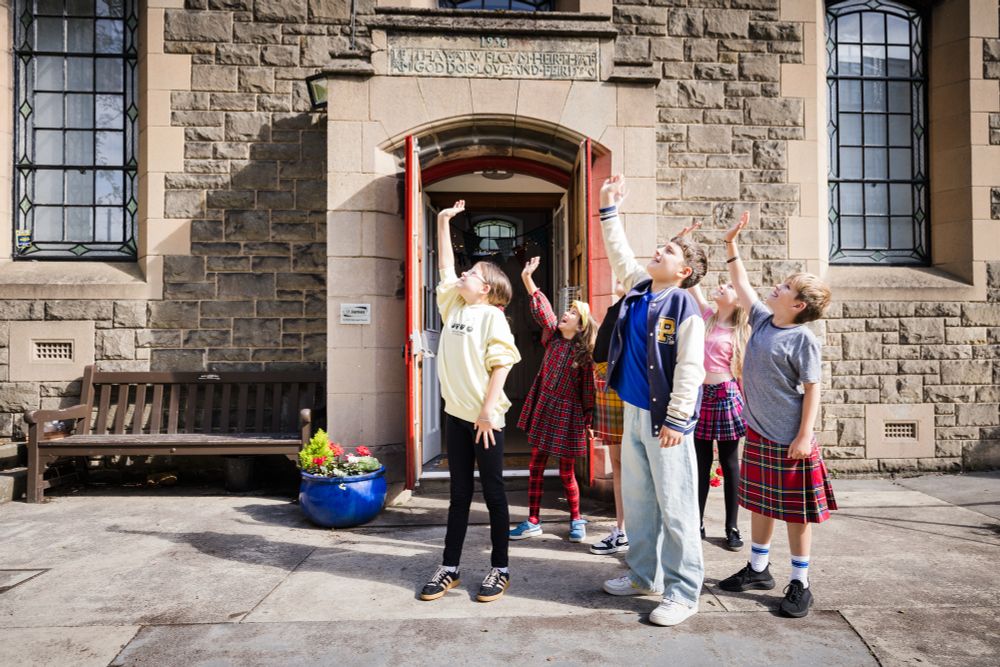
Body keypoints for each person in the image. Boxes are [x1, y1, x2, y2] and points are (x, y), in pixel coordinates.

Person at [596, 174, 708, 627]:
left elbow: (690, 369)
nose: (657, 251)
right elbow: (619, 251)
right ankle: (646, 576)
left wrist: (678, 420)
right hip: (636, 414)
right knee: (641, 502)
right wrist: (609, 207)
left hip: (668, 423)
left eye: (669, 251)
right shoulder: (641, 287)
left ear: (683, 272)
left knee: (677, 507)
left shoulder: (685, 307)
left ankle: (683, 593)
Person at [716, 211, 836, 619]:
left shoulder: (802, 339)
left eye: (784, 287)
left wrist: (805, 436)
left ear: (798, 304)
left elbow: (813, 388)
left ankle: (801, 581)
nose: (775, 287)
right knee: (761, 504)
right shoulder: (764, 320)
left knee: (795, 512)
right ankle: (758, 568)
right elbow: (742, 284)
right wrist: (731, 243)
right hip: (761, 434)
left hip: (790, 441)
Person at [419, 200, 521, 604]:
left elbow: (502, 365)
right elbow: (445, 269)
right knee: (459, 494)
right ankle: (450, 568)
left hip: (485, 420)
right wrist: (443, 222)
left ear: (489, 289)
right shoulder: (455, 305)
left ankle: (500, 568)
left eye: (473, 274)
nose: (464, 274)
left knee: (494, 494)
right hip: (455, 417)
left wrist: (486, 412)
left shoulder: (493, 317)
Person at [509, 256, 596, 543]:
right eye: (566, 311)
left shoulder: (583, 356)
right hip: (545, 408)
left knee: (566, 471)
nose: (565, 314)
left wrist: (588, 419)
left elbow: (587, 393)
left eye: (572, 313)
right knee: (535, 466)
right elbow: (542, 310)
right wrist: (527, 278)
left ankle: (576, 519)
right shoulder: (552, 339)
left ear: (580, 325)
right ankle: (533, 520)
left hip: (568, 415)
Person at [678, 222, 751, 551]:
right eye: (721, 285)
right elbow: (692, 283)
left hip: (727, 397)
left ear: (737, 301)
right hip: (700, 395)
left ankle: (732, 527)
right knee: (701, 461)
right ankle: (698, 521)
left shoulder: (740, 330)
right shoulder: (706, 315)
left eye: (728, 287)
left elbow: (745, 373)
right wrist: (686, 241)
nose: (722, 287)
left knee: (731, 463)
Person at [589, 283, 630, 556]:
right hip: (607, 383)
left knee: (630, 465)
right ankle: (622, 529)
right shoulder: (620, 305)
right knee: (618, 465)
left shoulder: (638, 304)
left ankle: (630, 531)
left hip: (621, 385)